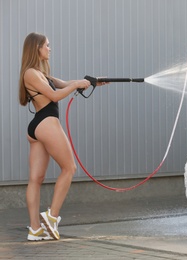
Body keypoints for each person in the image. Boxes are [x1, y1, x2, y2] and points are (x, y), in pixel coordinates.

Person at [18, 32, 106, 241]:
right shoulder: (30, 73)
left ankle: (35, 229)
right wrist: (76, 85)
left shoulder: (42, 74)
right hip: (46, 122)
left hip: (38, 127)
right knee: (69, 168)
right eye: (47, 45)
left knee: (36, 179)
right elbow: (55, 95)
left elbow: (66, 82)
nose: (50, 48)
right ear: (36, 48)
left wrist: (91, 82)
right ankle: (52, 216)